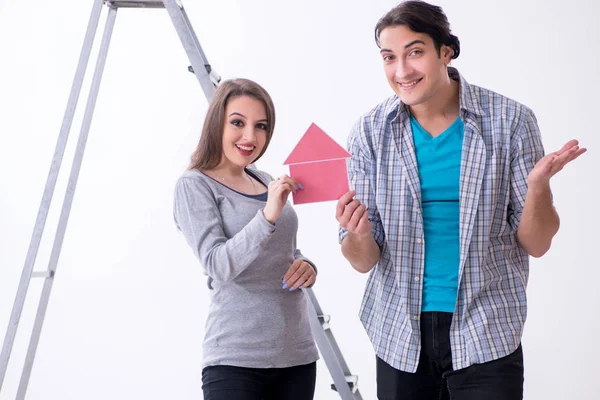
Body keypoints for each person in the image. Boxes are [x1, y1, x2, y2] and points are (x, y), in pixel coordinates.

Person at [335, 1, 586, 399]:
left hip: (486, 327)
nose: (402, 71)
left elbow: (537, 244)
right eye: (389, 57)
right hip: (399, 332)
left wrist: (538, 187)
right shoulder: (369, 132)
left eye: (414, 52)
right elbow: (362, 259)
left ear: (445, 52)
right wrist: (357, 232)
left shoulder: (510, 121)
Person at [173, 78, 319, 400]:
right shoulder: (195, 185)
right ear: (217, 124)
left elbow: (285, 250)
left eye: (261, 126)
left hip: (297, 355)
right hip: (236, 361)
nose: (250, 137)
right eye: (238, 123)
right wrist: (267, 215)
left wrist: (306, 265)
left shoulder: (265, 179)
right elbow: (218, 265)